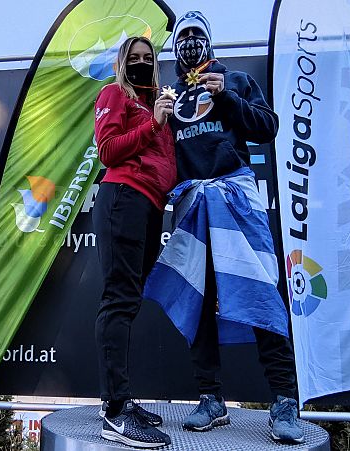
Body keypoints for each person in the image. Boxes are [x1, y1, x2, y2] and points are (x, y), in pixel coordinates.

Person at [143, 10, 305, 443]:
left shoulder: (234, 81)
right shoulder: (169, 94)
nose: (191, 42)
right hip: (194, 204)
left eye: (198, 35)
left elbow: (268, 127)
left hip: (235, 198)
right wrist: (155, 121)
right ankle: (211, 399)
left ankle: (285, 402)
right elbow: (159, 157)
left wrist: (228, 99)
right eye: (184, 36)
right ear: (175, 46)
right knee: (200, 298)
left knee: (262, 292)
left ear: (210, 42)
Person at [92, 35, 177, 449]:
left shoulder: (158, 103)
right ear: (122, 63)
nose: (142, 64)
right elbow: (108, 150)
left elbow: (165, 162)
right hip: (122, 196)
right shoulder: (115, 94)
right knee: (118, 299)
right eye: (135, 58)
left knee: (129, 301)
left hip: (150, 205)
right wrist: (153, 124)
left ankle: (122, 401)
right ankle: (114, 412)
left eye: (149, 58)